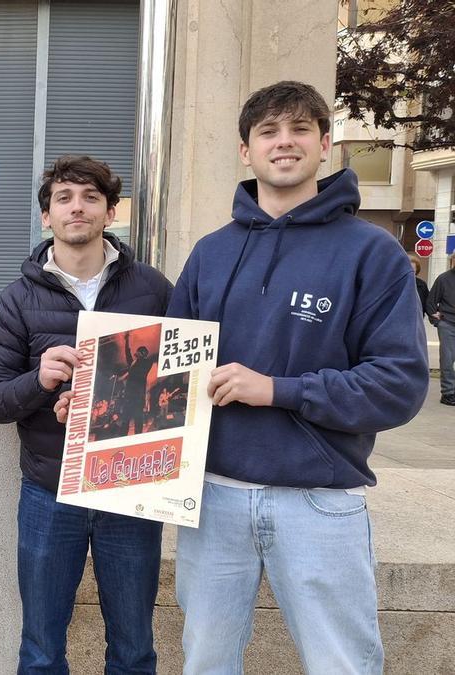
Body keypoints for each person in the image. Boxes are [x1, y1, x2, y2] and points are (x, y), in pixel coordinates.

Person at [167, 80, 429, 673]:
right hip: (213, 497)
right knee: (205, 661)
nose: (284, 143)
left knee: (343, 664)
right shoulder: (210, 253)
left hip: (319, 501)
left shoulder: (372, 253)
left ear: (325, 143)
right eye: (268, 132)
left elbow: (399, 383)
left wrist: (278, 390)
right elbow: (171, 369)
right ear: (246, 150)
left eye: (299, 130)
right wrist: (100, 405)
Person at [0, 155, 172, 674]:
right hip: (49, 489)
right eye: (63, 198)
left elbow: (182, 387)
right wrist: (40, 382)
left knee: (134, 648)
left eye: (90, 197)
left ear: (110, 211)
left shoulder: (153, 289)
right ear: (47, 216)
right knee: (40, 649)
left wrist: (120, 397)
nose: (76, 207)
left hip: (131, 487)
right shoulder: (18, 299)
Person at [425, 255, 455, 405]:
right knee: (448, 359)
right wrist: (436, 320)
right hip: (448, 323)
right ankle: (448, 393)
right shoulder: (443, 279)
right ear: (452, 261)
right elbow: (430, 301)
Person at [408, 252, 429, 318]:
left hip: (417, 319)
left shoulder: (422, 284)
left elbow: (427, 303)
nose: (410, 272)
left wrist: (434, 313)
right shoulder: (397, 284)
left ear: (416, 270)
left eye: (413, 270)